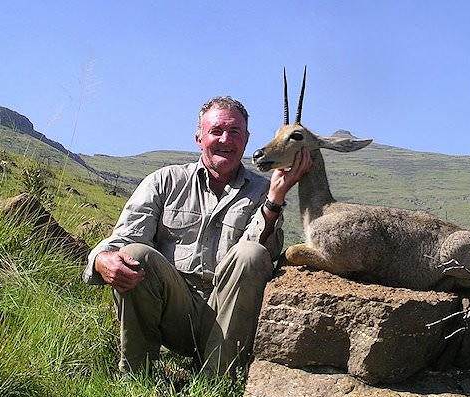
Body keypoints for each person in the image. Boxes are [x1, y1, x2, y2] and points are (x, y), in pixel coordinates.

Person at [82, 96, 312, 374]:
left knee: (251, 253)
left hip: (229, 316)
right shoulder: (164, 181)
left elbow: (259, 257)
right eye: (216, 131)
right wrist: (100, 259)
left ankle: (215, 386)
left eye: (235, 132)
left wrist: (274, 200)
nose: (226, 139)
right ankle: (136, 378)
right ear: (198, 137)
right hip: (174, 312)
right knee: (133, 255)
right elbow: (126, 237)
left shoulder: (265, 191)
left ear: (247, 138)